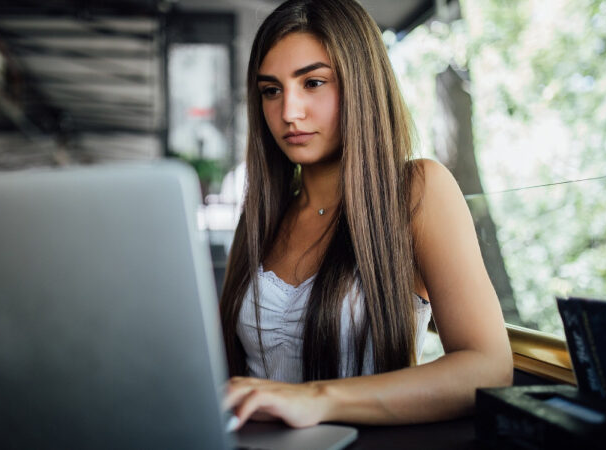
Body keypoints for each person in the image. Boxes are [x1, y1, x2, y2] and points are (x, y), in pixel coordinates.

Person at [219, 0, 513, 429]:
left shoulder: (418, 190)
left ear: (361, 84)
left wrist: (316, 399)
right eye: (271, 90)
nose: (288, 112)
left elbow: (488, 368)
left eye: (313, 83)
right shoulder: (262, 215)